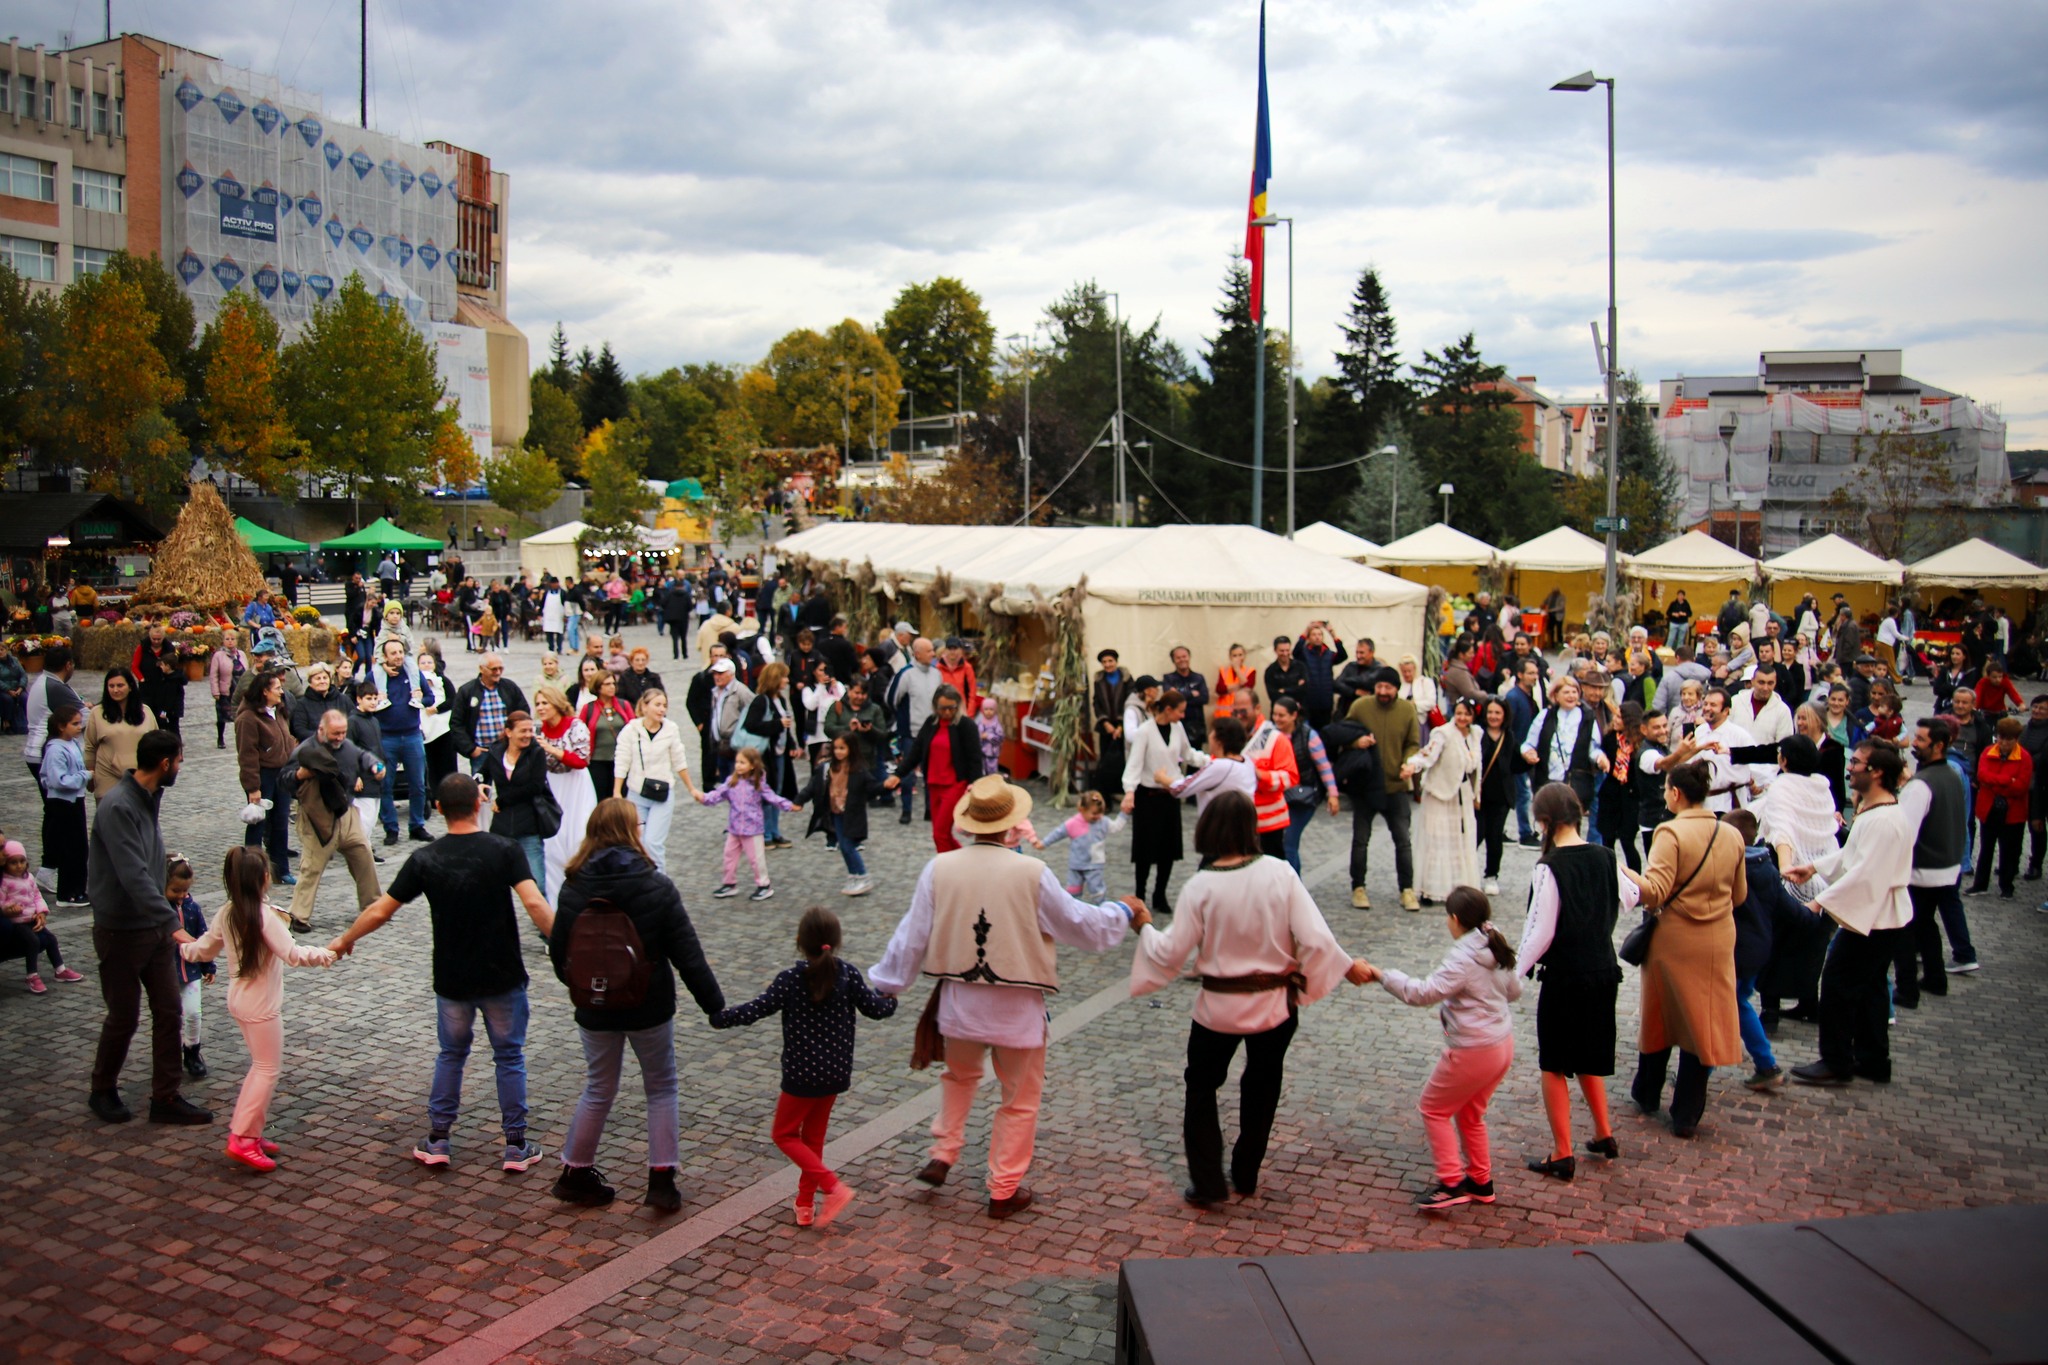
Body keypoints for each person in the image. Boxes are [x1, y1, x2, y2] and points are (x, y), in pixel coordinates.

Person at [870, 775, 1144, 1219]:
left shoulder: (940, 867)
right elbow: (1081, 925)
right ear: (1011, 824)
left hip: (960, 1000)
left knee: (959, 1077)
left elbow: (911, 935)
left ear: (968, 823)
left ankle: (944, 1150)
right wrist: (1122, 911)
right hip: (1018, 1007)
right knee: (1019, 1097)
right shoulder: (1031, 873)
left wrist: (888, 983)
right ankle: (1003, 1188)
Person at [1130, 790, 1369, 1208]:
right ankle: (1246, 1172)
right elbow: (1316, 938)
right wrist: (1329, 974)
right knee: (1262, 1084)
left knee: (1201, 1088)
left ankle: (1207, 1183)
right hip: (1275, 1006)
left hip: (1217, 1010)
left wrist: (1146, 927)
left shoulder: (1201, 886)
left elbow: (1169, 954)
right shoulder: (1279, 872)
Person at [329, 774, 555, 1169]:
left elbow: (382, 909)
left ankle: (438, 1139)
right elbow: (535, 904)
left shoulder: (425, 859)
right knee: (509, 1056)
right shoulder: (504, 850)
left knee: (451, 1054)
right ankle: (516, 1144)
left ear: (438, 809)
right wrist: (567, 943)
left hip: (452, 977)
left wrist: (346, 939)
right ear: (478, 803)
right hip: (502, 973)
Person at [544, 799, 725, 1213]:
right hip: (649, 1004)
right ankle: (661, 1180)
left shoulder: (573, 886)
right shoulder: (655, 885)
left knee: (598, 1086)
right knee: (661, 1086)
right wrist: (714, 1006)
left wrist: (586, 986)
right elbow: (688, 954)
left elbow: (560, 954)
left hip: (594, 1006)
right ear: (631, 831)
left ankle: (576, 1170)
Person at [712, 906, 894, 1226]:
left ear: (799, 941)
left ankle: (832, 1187)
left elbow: (758, 1008)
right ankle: (805, 1204)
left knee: (783, 1134)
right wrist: (890, 997)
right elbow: (875, 1009)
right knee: (813, 1139)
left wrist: (722, 1017)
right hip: (835, 1074)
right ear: (836, 942)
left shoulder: (791, 979)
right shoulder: (848, 974)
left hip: (801, 1075)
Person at [1357, 886, 1522, 1211]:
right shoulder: (1493, 940)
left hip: (1474, 1050)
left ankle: (1450, 1183)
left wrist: (1381, 975)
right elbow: (1514, 991)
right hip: (1502, 1045)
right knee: (1471, 1114)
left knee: (1434, 1109)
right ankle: (1480, 1181)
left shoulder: (1462, 957)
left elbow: (1423, 993)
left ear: (1455, 919)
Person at [179, 847, 336, 1171]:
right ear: (263, 879)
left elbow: (203, 948)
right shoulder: (265, 916)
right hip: (261, 1005)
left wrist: (181, 947)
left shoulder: (229, 911)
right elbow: (293, 954)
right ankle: (243, 1138)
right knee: (266, 1070)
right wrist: (327, 954)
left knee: (259, 1067)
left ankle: (250, 1131)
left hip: (239, 1000)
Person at [86, 729, 213, 1126]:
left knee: (170, 1011)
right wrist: (172, 926)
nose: (180, 765)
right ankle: (102, 1090)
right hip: (121, 931)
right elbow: (134, 875)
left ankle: (165, 1097)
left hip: (152, 930)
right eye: (178, 759)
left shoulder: (146, 798)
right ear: (164, 763)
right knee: (123, 1016)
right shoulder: (119, 806)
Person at [1617, 759, 1745, 1138]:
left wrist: (1626, 871)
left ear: (1675, 793)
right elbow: (1739, 894)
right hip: (1718, 936)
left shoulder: (1669, 834)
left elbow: (1653, 890)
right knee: (1700, 1022)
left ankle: (1647, 1091)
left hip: (1674, 937)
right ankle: (1688, 1112)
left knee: (1662, 1014)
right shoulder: (1731, 834)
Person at [1785, 741, 1914, 1087]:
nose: (1850, 767)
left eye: (1856, 763)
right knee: (1870, 987)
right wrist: (1814, 867)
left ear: (1877, 772)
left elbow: (1865, 874)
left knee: (1838, 985)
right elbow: (1854, 856)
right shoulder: (1877, 811)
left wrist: (1819, 902)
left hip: (1876, 919)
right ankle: (1872, 1059)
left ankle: (1837, 1060)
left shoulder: (1884, 819)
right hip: (1880, 916)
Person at [1515, 783, 1625, 1181]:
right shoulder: (1605, 856)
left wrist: (1514, 975)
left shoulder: (1549, 867)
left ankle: (1562, 1152)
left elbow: (1539, 931)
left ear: (1543, 821)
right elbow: (1631, 895)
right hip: (1603, 970)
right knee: (1588, 1055)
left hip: (1566, 976)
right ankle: (1603, 1133)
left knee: (1555, 1063)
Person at [283, 708, 384, 934]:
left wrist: (375, 766)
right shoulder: (305, 750)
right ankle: (298, 916)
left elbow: (362, 755)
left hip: (346, 813)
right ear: (321, 730)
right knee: (312, 866)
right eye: (335, 734)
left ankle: (373, 905)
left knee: (363, 854)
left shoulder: (346, 745)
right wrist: (300, 775)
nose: (340, 738)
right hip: (317, 817)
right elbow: (283, 781)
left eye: (343, 733)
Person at [1722, 809, 1800, 1092]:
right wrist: (1814, 914)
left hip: (1740, 951)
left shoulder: (1735, 868)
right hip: (1758, 950)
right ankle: (1764, 1063)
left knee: (1729, 1005)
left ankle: (1765, 1065)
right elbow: (1789, 908)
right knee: (1737, 1002)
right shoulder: (1766, 866)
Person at [1897, 717, 1976, 996]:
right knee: (1926, 925)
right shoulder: (1953, 775)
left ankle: (1906, 988)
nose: (1914, 744)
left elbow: (1904, 832)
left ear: (1939, 745)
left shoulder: (1922, 784)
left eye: (1920, 740)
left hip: (1923, 869)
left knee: (1907, 929)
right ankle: (1935, 977)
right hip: (1947, 866)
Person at [1343, 668, 1420, 911]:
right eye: (1380, 687)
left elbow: (1413, 743)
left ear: (1397, 689)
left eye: (1388, 688)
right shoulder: (1360, 706)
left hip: (1395, 785)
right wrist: (1355, 742)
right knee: (1360, 840)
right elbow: (1342, 733)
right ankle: (1358, 887)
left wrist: (1409, 762)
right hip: (1366, 786)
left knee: (1403, 840)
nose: (1383, 692)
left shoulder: (1408, 710)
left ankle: (1406, 889)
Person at [1123, 689, 1203, 912]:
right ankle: (1140, 895)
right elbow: (1134, 763)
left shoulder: (1177, 728)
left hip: (1169, 796)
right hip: (1148, 797)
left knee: (1168, 849)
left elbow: (1188, 754)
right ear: (1168, 710)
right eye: (1181, 711)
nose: (1183, 716)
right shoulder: (1145, 732)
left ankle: (1160, 894)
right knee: (1145, 850)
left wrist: (1210, 761)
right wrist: (1129, 790)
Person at [1401, 697, 1481, 907]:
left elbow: (1475, 769)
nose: (1462, 718)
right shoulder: (1443, 733)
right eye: (1459, 713)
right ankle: (1430, 888)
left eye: (1467, 714)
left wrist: (1476, 795)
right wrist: (1412, 766)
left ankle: (1458, 886)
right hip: (1439, 793)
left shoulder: (1474, 735)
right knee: (1436, 840)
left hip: (1461, 793)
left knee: (1459, 840)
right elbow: (1427, 755)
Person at [886, 683, 982, 854]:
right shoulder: (931, 723)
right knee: (940, 834)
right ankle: (963, 865)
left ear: (958, 705)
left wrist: (974, 784)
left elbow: (975, 758)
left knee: (940, 834)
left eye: (951, 708)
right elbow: (915, 752)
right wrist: (898, 774)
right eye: (942, 708)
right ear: (935, 706)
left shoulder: (966, 726)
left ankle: (946, 870)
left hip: (955, 785)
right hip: (933, 785)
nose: (946, 712)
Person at [701, 747, 794, 901]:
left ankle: (764, 885)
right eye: (737, 762)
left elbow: (772, 797)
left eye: (742, 763)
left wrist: (788, 805)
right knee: (729, 857)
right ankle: (729, 883)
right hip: (734, 828)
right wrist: (704, 798)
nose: (738, 765)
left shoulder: (758, 783)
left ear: (752, 765)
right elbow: (718, 794)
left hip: (753, 829)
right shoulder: (731, 782)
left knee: (756, 859)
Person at [233, 669, 297, 886]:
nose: (281, 691)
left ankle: (281, 869)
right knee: (258, 824)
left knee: (280, 822)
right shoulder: (248, 718)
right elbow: (247, 755)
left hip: (282, 773)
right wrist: (253, 787)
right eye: (277, 688)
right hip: (263, 775)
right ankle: (252, 872)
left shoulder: (278, 710)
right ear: (264, 691)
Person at [533, 685, 596, 899]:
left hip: (575, 785)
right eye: (538, 704)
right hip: (552, 786)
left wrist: (552, 749)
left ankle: (583, 896)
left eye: (545, 703)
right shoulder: (539, 730)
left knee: (579, 839)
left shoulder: (575, 725)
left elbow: (582, 760)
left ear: (557, 703)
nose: (540, 708)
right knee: (552, 846)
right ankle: (554, 902)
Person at [3, 837, 85, 993]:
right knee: (32, 942)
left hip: (31, 918)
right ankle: (32, 975)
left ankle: (60, 969)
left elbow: (37, 896)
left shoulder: (29, 879)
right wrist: (8, 909)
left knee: (50, 939)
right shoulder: (5, 882)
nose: (19, 866)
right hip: (17, 922)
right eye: (14, 863)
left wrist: (41, 911)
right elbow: (1, 902)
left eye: (22, 861)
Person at [1520, 674, 1608, 814]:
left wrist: (1600, 758)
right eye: (1566, 692)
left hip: (1576, 783)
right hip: (1549, 781)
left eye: (1574, 692)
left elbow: (1593, 748)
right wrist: (1528, 753)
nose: (1571, 696)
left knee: (1571, 824)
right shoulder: (1545, 716)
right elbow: (1528, 744)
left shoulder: (1587, 718)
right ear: (1556, 695)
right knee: (1550, 824)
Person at [1271, 697, 1340, 875]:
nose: (1277, 719)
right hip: (1279, 796)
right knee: (1288, 844)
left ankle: (1293, 889)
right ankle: (1296, 885)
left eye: (1282, 715)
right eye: (1274, 714)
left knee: (1288, 843)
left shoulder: (1309, 736)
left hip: (1303, 797)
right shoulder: (1270, 734)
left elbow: (1324, 767)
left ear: (1294, 716)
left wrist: (1333, 794)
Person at [802, 734, 874, 896]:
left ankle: (862, 874)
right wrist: (799, 801)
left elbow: (872, 787)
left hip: (851, 813)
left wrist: (887, 784)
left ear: (851, 749)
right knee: (843, 845)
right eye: (836, 748)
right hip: (835, 812)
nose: (839, 752)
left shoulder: (858, 770)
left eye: (842, 748)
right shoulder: (827, 768)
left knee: (848, 845)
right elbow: (812, 787)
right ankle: (854, 875)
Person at [1969, 715, 2032, 899]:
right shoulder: (1989, 751)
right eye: (2001, 737)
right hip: (1989, 808)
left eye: (2008, 739)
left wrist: (1995, 784)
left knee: (2009, 851)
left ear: (2016, 739)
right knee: (1986, 849)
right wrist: (2007, 781)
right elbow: (1982, 776)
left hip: (2013, 811)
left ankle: (2007, 886)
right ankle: (1980, 884)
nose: (2003, 742)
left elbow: (2021, 786)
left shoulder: (2024, 757)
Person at [165, 856, 212, 1075]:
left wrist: (207, 965)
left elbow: (203, 938)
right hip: (167, 971)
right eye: (176, 891)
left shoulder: (193, 908)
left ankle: (192, 1051)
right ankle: (168, 1055)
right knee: (170, 1016)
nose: (182, 896)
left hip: (191, 970)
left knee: (193, 1013)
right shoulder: (160, 910)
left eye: (185, 891)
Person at [83, 667, 158, 803]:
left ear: (130, 687)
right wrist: (90, 775)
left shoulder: (146, 712)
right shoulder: (97, 713)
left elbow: (157, 744)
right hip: (108, 780)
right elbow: (90, 747)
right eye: (111, 686)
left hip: (140, 779)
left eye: (120, 685)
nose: (115, 690)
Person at [449, 653, 528, 778]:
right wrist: (470, 749)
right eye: (494, 669)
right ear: (482, 669)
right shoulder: (467, 691)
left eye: (500, 668)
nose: (498, 672)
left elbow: (524, 713)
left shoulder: (510, 687)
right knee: (481, 790)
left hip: (508, 749)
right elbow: (456, 723)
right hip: (481, 751)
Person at [1041, 791, 1127, 899]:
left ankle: (1102, 910)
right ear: (1082, 810)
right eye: (1094, 813)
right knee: (1072, 892)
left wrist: (1124, 814)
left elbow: (1116, 827)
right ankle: (1073, 910)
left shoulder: (1103, 822)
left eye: (1101, 813)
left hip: (1095, 865)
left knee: (1097, 891)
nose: (1098, 816)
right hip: (1076, 864)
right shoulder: (1073, 823)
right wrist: (1044, 843)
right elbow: (1058, 833)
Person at [22, 642, 80, 789]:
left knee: (52, 804)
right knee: (60, 805)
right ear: (68, 665)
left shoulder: (42, 681)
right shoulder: (55, 687)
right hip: (45, 751)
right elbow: (85, 717)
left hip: (35, 749)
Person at [577, 670, 636, 803]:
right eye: (607, 684)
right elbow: (580, 733)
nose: (612, 687)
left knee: (621, 798)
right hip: (598, 762)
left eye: (613, 684)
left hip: (622, 760)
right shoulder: (588, 708)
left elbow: (634, 729)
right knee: (601, 800)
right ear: (598, 687)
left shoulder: (624, 705)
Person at [131, 620, 186, 735]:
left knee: (165, 719)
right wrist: (141, 679)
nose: (156, 642)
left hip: (165, 687)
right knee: (148, 715)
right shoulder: (142, 647)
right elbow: (135, 666)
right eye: (154, 639)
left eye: (159, 639)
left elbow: (174, 666)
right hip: (147, 688)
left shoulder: (169, 648)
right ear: (150, 637)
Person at [1092, 649, 1132, 797]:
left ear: (1116, 661)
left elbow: (1130, 701)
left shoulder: (1126, 679)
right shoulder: (1099, 680)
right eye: (1104, 662)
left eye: (1110, 661)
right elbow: (1096, 703)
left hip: (1125, 726)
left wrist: (1121, 725)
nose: (1108, 664)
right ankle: (1106, 795)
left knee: (1124, 760)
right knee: (1106, 762)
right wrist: (1105, 723)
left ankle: (1123, 792)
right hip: (1106, 728)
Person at [1163, 646, 1210, 750]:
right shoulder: (1168, 678)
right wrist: (1191, 694)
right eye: (1178, 658)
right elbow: (1170, 699)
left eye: (1184, 656)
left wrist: (1179, 695)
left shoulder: (1198, 678)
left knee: (1195, 761)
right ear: (1173, 661)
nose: (1182, 660)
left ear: (1189, 657)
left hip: (1196, 726)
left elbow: (1204, 698)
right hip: (1176, 724)